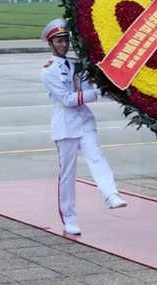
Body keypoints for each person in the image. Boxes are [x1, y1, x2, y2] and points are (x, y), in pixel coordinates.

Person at [40, 18, 127, 236]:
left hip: (84, 121)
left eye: (66, 40)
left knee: (97, 157)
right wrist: (96, 93)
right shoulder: (49, 71)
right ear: (50, 44)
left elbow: (90, 88)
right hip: (65, 124)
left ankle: (110, 194)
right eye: (59, 41)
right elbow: (68, 99)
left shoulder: (77, 64)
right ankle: (69, 218)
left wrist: (111, 90)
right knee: (68, 174)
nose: (64, 44)